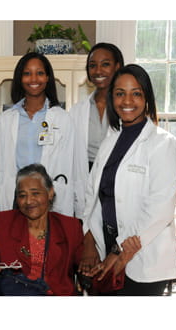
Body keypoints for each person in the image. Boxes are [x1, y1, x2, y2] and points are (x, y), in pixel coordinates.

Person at [79, 64, 176, 296]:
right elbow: (93, 195)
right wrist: (90, 239)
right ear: (112, 97)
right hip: (105, 246)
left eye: (136, 93)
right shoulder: (111, 138)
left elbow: (159, 209)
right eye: (120, 93)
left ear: (147, 98)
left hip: (144, 255)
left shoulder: (163, 143)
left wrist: (120, 249)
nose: (127, 101)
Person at [0, 163, 83, 296]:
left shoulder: (69, 227)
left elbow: (86, 266)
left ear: (50, 193)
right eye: (22, 195)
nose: (28, 201)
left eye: (35, 193)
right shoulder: (1, 223)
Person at [0, 52, 74, 217]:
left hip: (47, 196)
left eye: (40, 73)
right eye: (27, 74)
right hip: (15, 196)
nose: (34, 79)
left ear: (48, 77)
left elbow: (72, 167)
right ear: (20, 79)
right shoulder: (7, 119)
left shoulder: (62, 118)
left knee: (46, 242)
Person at [70, 43, 124, 220]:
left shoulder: (128, 108)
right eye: (93, 65)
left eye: (105, 64)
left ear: (117, 67)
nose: (98, 71)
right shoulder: (77, 111)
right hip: (86, 178)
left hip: (118, 178)